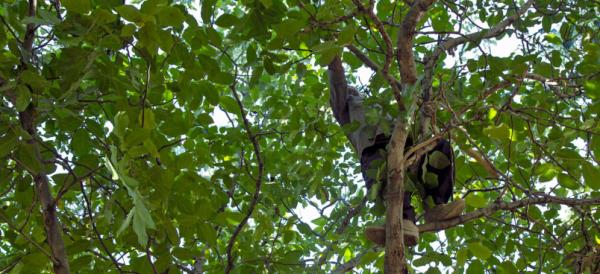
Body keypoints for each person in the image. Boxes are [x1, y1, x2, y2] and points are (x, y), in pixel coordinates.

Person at [327, 56, 464, 246]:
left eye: (354, 90)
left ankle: (435, 206)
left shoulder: (377, 104)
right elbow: (337, 81)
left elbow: (408, 112)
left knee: (439, 146)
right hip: (374, 147)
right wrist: (333, 54)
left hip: (404, 141)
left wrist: (424, 113)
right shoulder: (344, 108)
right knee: (389, 179)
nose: (352, 91)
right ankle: (402, 222)